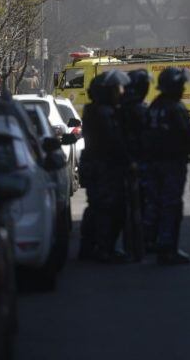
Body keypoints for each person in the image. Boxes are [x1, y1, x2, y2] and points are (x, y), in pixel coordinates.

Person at [143, 67, 190, 265]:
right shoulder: (176, 108)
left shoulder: (154, 106)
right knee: (171, 206)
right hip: (171, 165)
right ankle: (167, 249)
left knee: (153, 204)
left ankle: (150, 241)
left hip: (151, 165)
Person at [78, 70, 129, 263]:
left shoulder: (92, 110)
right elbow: (113, 141)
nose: (120, 93)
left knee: (96, 208)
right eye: (117, 90)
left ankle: (90, 246)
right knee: (109, 209)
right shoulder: (103, 113)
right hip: (104, 167)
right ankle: (104, 248)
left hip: (96, 166)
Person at [119, 69, 151, 260]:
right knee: (139, 208)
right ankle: (138, 246)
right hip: (138, 165)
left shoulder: (118, 108)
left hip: (122, 165)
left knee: (128, 209)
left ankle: (131, 246)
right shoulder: (139, 110)